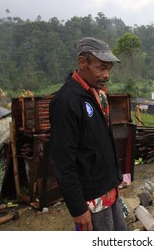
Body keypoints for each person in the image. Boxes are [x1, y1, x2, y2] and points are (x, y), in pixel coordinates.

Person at [49, 37, 127, 231]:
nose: (107, 75)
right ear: (82, 63)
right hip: (92, 198)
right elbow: (63, 161)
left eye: (109, 69)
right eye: (101, 68)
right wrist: (77, 209)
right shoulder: (67, 101)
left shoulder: (98, 93)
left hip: (110, 190)